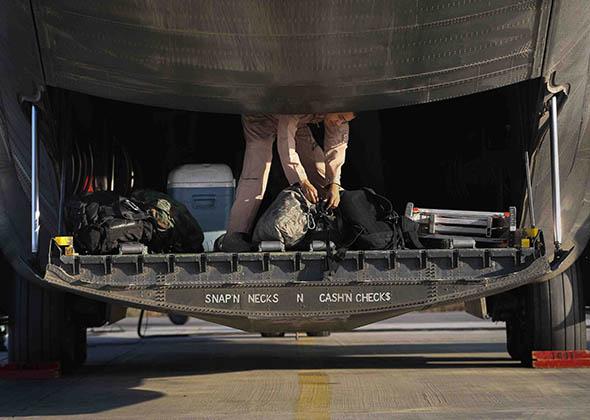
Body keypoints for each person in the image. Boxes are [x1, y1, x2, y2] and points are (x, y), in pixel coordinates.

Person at [226, 113, 354, 236]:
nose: (339, 122)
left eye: (344, 120)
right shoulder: (301, 103)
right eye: (340, 117)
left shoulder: (339, 113)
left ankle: (330, 227)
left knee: (318, 171)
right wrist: (302, 181)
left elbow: (337, 146)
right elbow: (286, 143)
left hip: (298, 122)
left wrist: (334, 183)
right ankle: (235, 234)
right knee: (255, 176)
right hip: (261, 117)